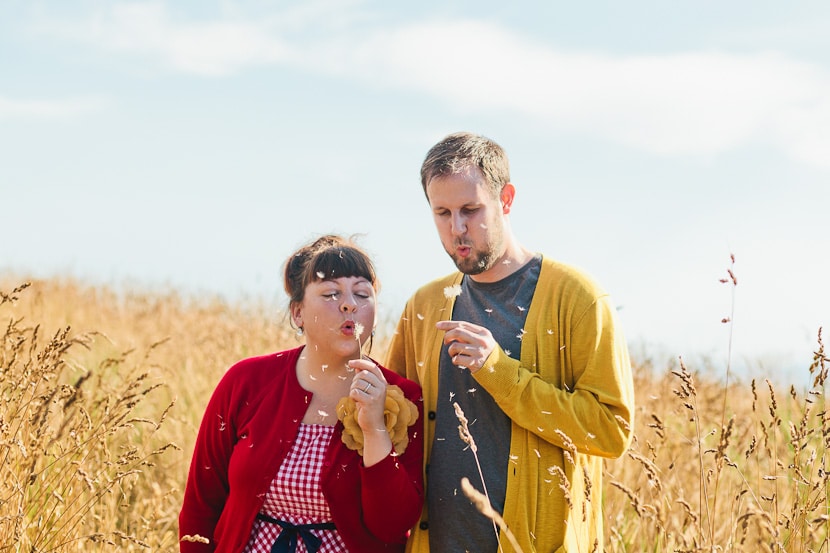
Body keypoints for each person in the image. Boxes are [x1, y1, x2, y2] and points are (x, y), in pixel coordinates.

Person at [385, 132, 635, 553]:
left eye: (470, 209)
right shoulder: (424, 304)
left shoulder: (576, 297)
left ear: (506, 199)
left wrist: (499, 372)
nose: (457, 228)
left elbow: (610, 431)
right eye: (442, 213)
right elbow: (397, 423)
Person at [179, 234, 424, 553]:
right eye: (331, 293)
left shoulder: (402, 398)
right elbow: (200, 507)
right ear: (298, 313)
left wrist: (375, 428)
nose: (349, 303)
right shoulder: (245, 382)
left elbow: (392, 525)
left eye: (362, 293)